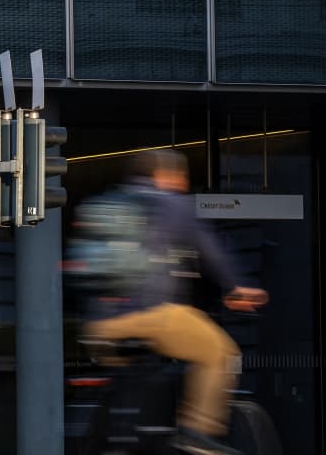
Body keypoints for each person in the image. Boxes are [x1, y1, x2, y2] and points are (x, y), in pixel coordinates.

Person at [79, 149, 268, 455]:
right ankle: (197, 432)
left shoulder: (100, 205)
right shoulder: (171, 203)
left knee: (132, 380)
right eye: (180, 176)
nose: (183, 183)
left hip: (100, 327)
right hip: (150, 315)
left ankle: (113, 436)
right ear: (163, 175)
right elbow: (210, 250)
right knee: (221, 353)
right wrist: (237, 287)